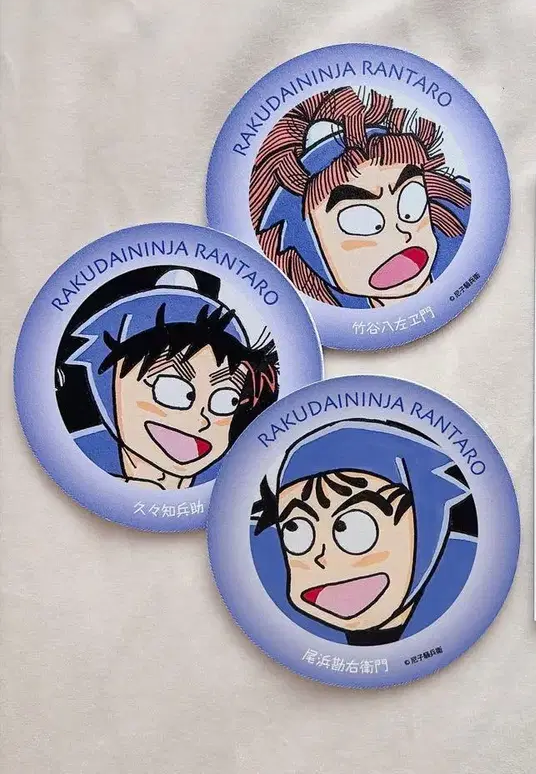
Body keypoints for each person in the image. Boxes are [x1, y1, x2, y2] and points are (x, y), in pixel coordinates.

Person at [250, 418, 477, 645]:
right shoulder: (283, 627)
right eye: (295, 529)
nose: (321, 556)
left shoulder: (466, 593)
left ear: (423, 522)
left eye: (352, 526)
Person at [249, 86, 471, 308]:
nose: (400, 234)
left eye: (410, 203)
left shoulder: (468, 247)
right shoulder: (328, 316)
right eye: (360, 221)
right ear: (307, 247)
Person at [66, 273, 278, 489]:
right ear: (114, 379)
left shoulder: (236, 480)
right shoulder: (74, 460)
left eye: (226, 401)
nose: (200, 420)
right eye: (173, 390)